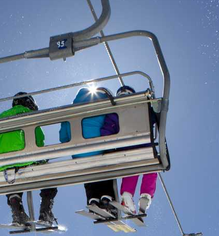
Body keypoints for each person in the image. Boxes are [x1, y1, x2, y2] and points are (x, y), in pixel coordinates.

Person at [0, 93, 58, 226]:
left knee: (12, 173)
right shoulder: (30, 117)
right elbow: (38, 141)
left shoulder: (2, 117)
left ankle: (17, 209)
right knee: (49, 172)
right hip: (25, 160)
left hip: (2, 164)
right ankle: (45, 211)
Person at [60, 87, 117, 214]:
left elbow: (63, 137)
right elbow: (111, 126)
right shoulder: (106, 104)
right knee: (106, 161)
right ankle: (107, 197)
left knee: (87, 167)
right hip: (98, 150)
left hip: (79, 154)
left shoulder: (69, 110)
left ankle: (92, 199)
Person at [115, 85, 158, 218]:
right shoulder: (143, 107)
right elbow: (155, 119)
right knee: (151, 167)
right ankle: (146, 195)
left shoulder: (114, 110)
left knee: (131, 167)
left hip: (125, 149)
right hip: (145, 147)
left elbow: (109, 128)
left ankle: (127, 195)